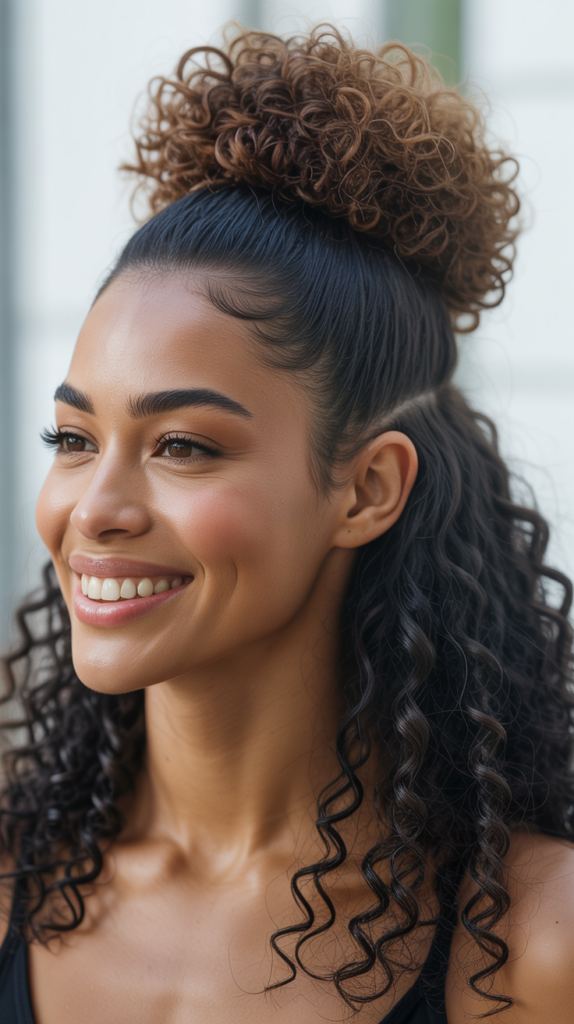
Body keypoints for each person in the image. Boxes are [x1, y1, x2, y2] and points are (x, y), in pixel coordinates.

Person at [0, 26, 573, 1024]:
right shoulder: (11, 892)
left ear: (364, 490)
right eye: (73, 435)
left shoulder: (531, 946)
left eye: (183, 445)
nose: (94, 507)